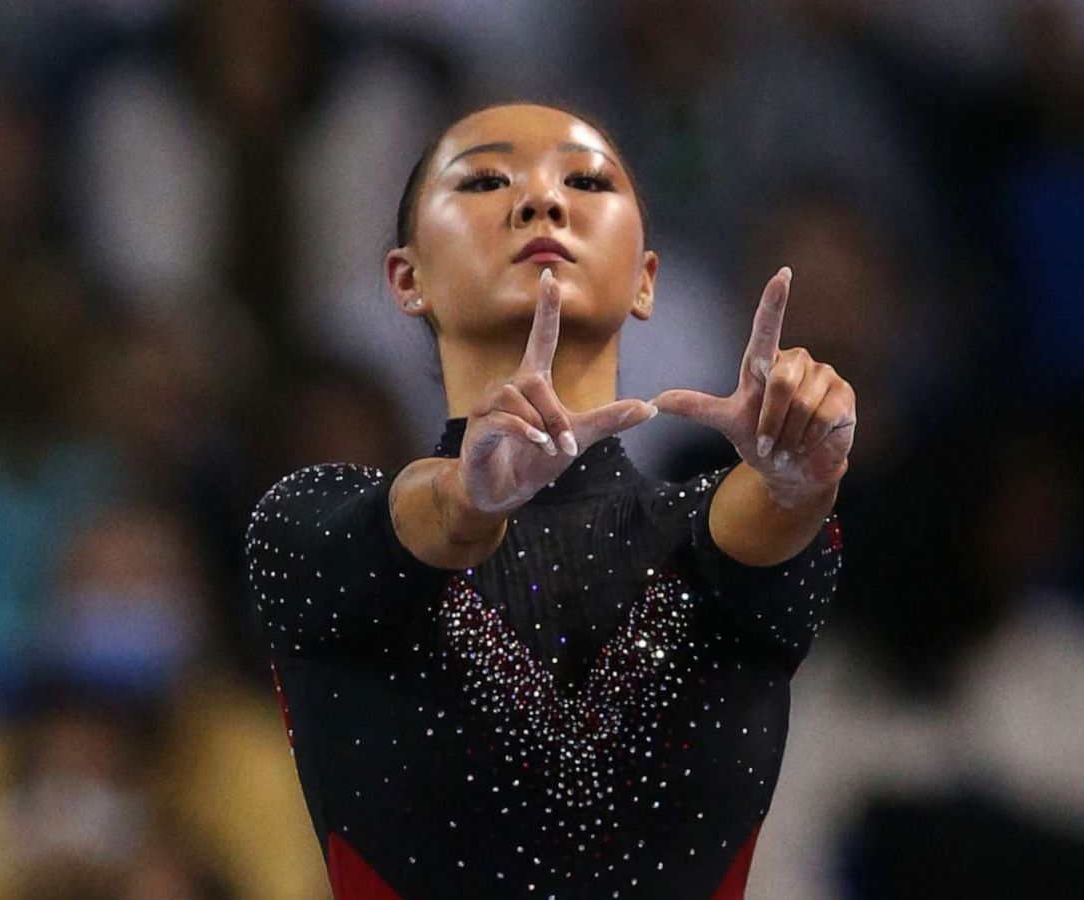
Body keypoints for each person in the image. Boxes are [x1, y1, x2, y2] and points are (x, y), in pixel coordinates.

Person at [244, 102, 855, 899]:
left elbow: (766, 525)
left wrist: (800, 476)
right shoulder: (308, 524)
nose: (543, 202)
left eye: (586, 181)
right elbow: (400, 531)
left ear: (645, 281)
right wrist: (469, 497)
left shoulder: (706, 539)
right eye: (488, 180)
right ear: (407, 279)